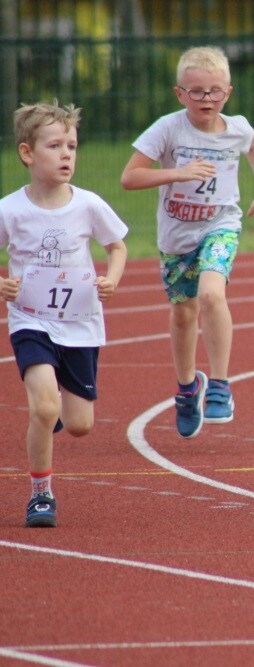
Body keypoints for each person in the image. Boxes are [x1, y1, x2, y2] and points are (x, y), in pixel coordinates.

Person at [121, 45, 254, 439]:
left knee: (211, 295)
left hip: (221, 224)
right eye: (197, 92)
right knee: (184, 313)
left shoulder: (237, 127)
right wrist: (177, 174)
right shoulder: (168, 129)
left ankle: (220, 384)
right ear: (180, 93)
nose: (207, 99)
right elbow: (130, 177)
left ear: (229, 92)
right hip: (176, 238)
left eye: (215, 91)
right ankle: (188, 388)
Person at [1, 101, 128, 527]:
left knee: (79, 424)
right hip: (31, 321)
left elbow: (117, 245)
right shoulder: (10, 210)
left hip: (81, 324)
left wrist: (113, 276)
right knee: (42, 407)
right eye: (55, 145)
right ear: (27, 154)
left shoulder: (88, 205)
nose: (67, 154)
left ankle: (52, 415)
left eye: (71, 145)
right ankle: (41, 494)